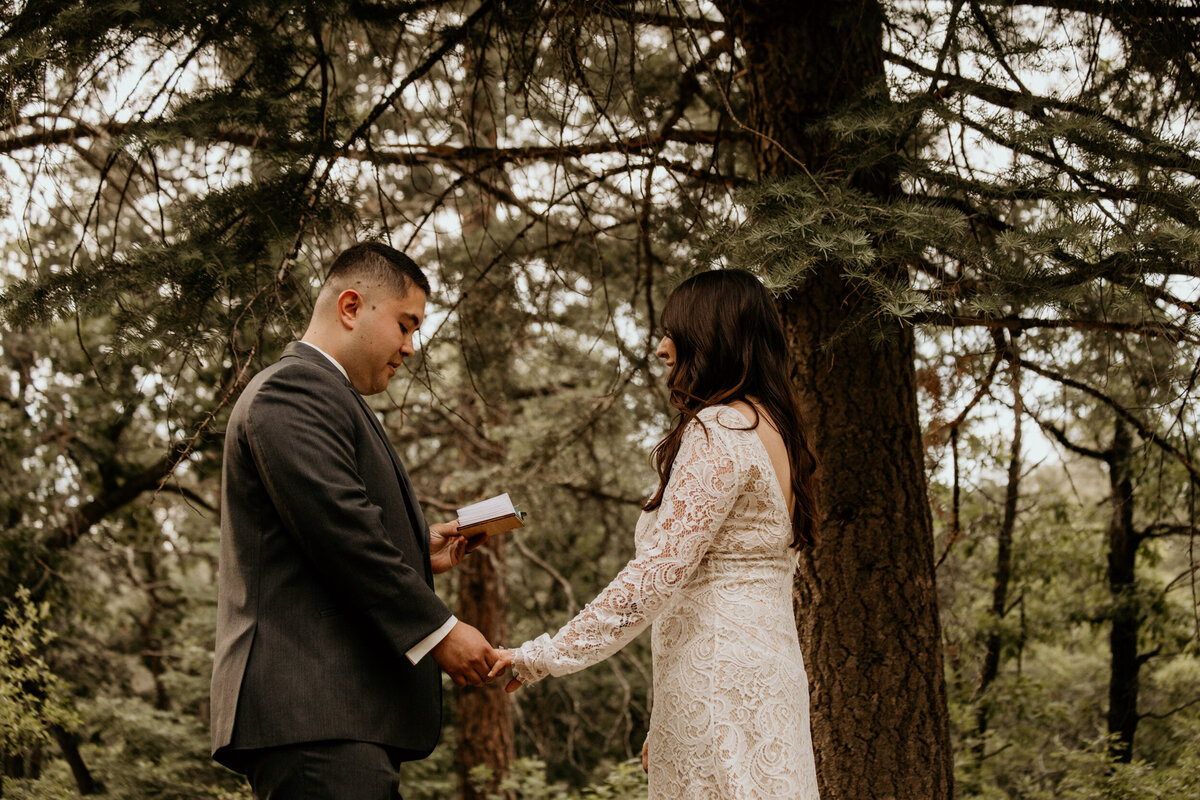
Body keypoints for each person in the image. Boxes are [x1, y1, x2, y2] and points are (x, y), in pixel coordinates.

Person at [489, 269, 822, 799]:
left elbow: (655, 577)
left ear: (712, 337)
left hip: (717, 683)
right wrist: (667, 716)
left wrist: (543, 656)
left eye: (675, 332)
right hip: (769, 682)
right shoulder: (778, 433)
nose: (663, 349)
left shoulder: (719, 430)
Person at [210, 242, 498, 799]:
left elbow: (325, 528)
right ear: (350, 306)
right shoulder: (294, 389)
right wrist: (439, 630)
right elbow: (340, 530)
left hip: (335, 722)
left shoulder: (323, 394)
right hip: (316, 716)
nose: (411, 348)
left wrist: (419, 547)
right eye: (405, 324)